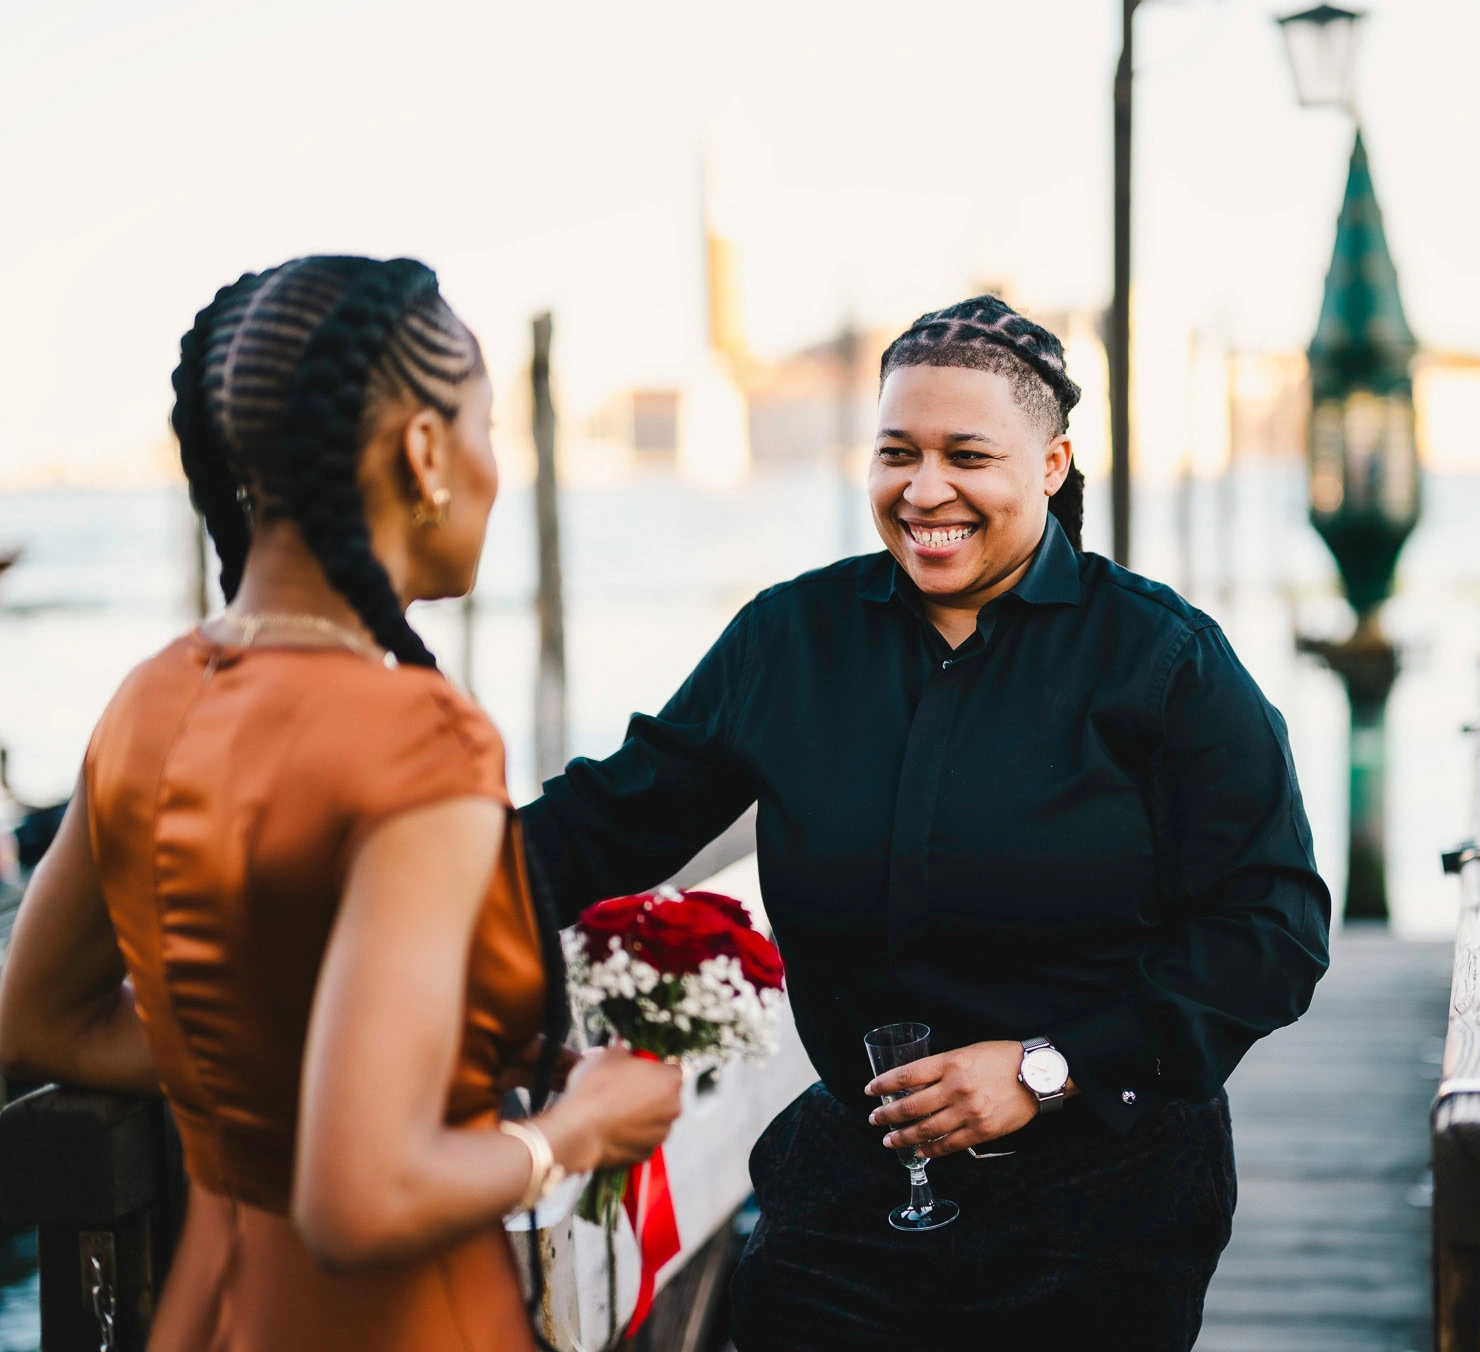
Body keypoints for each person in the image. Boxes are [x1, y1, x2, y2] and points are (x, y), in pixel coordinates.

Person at [521, 295, 1331, 1349]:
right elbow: (600, 824)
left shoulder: (1164, 661)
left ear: (1050, 465)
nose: (925, 488)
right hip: (852, 1202)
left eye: (968, 454)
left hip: (1104, 1215)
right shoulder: (790, 641)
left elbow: (1272, 930)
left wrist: (1047, 1066)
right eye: (897, 451)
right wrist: (386, 881)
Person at [0, 256, 685, 1351]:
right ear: (424, 450)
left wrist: (261, 1075)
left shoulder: (150, 698)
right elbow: (358, 1196)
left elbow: (36, 1021)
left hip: (214, 1307)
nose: (496, 465)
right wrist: (574, 1127)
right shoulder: (421, 740)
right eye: (488, 425)